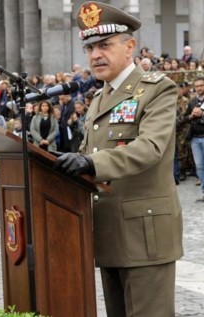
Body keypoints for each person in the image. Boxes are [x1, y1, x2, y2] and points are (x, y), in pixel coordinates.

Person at [54, 2, 183, 316]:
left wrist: (92, 165)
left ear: (129, 47)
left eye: (104, 45)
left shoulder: (157, 90)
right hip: (109, 233)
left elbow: (150, 148)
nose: (95, 54)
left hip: (144, 236)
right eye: (90, 47)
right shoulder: (100, 97)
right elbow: (90, 153)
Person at [184, 76, 204, 200]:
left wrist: (202, 114)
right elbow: (184, 119)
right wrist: (191, 116)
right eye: (197, 86)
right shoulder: (191, 102)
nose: (199, 88)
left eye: (201, 85)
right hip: (195, 139)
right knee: (199, 166)